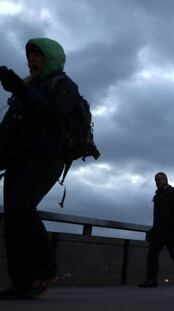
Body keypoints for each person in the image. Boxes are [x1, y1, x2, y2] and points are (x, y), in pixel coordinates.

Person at [0, 38, 85, 299]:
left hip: (47, 158)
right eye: (30, 55)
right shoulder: (27, 87)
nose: (32, 60)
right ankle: (21, 281)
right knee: (12, 219)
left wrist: (20, 88)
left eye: (39, 55)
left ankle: (46, 271)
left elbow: (52, 115)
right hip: (18, 160)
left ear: (52, 57)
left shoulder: (63, 85)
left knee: (21, 209)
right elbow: (10, 128)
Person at [138, 172, 174, 288]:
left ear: (165, 179)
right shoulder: (157, 195)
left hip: (170, 231)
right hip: (158, 231)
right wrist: (154, 228)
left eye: (159, 179)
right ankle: (151, 280)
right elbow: (156, 215)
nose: (157, 182)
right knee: (152, 254)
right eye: (156, 180)